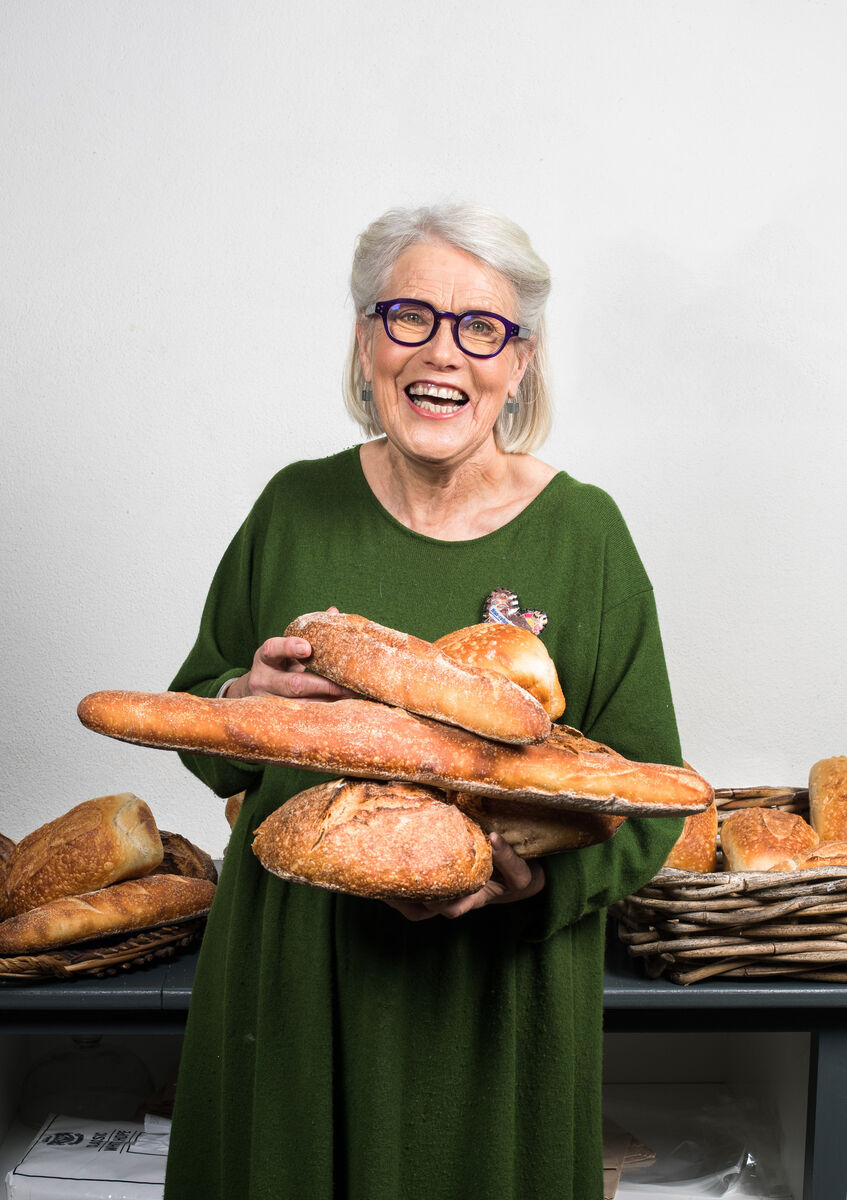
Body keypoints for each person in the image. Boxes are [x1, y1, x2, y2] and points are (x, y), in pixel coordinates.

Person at [163, 202, 685, 1200]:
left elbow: (649, 796)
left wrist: (525, 887)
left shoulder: (586, 536)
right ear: (366, 340)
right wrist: (245, 699)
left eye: (480, 327)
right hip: (291, 983)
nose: (441, 352)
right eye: (409, 316)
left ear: (518, 362)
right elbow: (198, 711)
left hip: (491, 1001)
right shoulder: (292, 507)